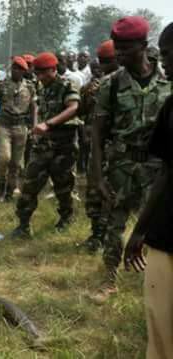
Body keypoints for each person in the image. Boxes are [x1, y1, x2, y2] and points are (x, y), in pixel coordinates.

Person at [91, 16, 171, 303]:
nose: (119, 54)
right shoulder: (110, 85)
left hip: (157, 166)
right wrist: (98, 177)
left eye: (125, 48)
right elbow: (97, 135)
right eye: (117, 48)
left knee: (159, 224)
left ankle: (155, 279)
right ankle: (109, 279)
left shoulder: (167, 81)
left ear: (143, 46)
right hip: (121, 165)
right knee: (114, 224)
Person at [123, 23, 173, 359]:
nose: (164, 62)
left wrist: (140, 230)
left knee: (163, 330)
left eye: (168, 55)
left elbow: (168, 173)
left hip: (169, 236)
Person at [12, 52, 81, 239]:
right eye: (37, 73)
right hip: (43, 146)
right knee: (29, 184)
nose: (39, 77)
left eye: (43, 73)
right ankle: (23, 225)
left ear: (53, 69)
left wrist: (49, 124)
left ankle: (66, 218)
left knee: (63, 186)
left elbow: (74, 108)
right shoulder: (43, 88)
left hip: (63, 145)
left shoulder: (67, 85)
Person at [79, 40, 119, 253]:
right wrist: (88, 93)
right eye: (100, 63)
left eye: (106, 62)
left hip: (117, 148)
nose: (102, 67)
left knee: (111, 193)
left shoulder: (122, 83)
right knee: (94, 190)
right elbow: (82, 111)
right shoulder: (94, 85)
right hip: (97, 146)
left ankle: (107, 237)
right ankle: (96, 235)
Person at [0, 56, 37, 202]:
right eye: (14, 68)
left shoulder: (29, 86)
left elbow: (34, 108)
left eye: (20, 69)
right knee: (4, 157)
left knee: (16, 163)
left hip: (21, 126)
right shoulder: (2, 85)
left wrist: (34, 126)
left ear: (24, 71)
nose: (16, 71)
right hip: (4, 125)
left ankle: (9, 192)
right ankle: (0, 185)